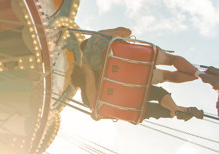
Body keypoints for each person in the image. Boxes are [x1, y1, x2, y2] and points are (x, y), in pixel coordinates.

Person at [71, 27, 208, 121]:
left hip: (132, 77)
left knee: (169, 77)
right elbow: (126, 31)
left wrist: (95, 109)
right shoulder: (98, 36)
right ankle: (200, 74)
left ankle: (177, 110)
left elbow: (90, 83)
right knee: (172, 60)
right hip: (139, 57)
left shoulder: (87, 64)